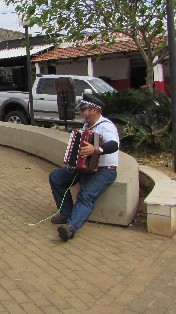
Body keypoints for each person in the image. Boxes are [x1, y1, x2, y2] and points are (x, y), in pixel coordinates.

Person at [48, 92, 120, 242]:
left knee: (85, 196)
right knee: (56, 177)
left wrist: (96, 150)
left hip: (105, 170)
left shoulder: (106, 126)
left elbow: (114, 144)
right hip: (85, 168)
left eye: (83, 109)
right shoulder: (87, 126)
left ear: (94, 110)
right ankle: (66, 213)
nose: (80, 112)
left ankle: (70, 228)